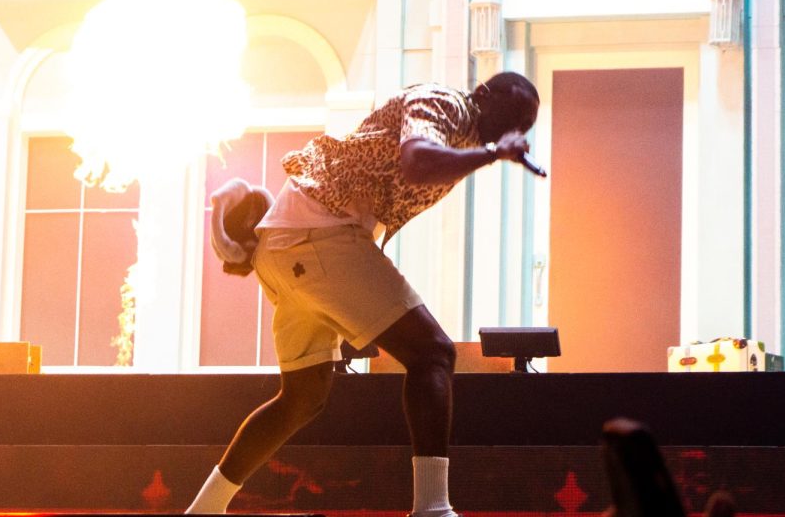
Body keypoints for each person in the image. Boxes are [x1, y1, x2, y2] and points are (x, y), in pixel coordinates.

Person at [186, 71, 540, 515]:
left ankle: (203, 511)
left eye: (524, 125)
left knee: (303, 397)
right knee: (432, 353)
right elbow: (416, 160)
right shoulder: (446, 104)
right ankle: (433, 508)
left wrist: (486, 151)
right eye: (513, 115)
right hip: (318, 233)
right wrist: (491, 153)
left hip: (290, 242)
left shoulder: (464, 136)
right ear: (482, 94)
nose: (516, 129)